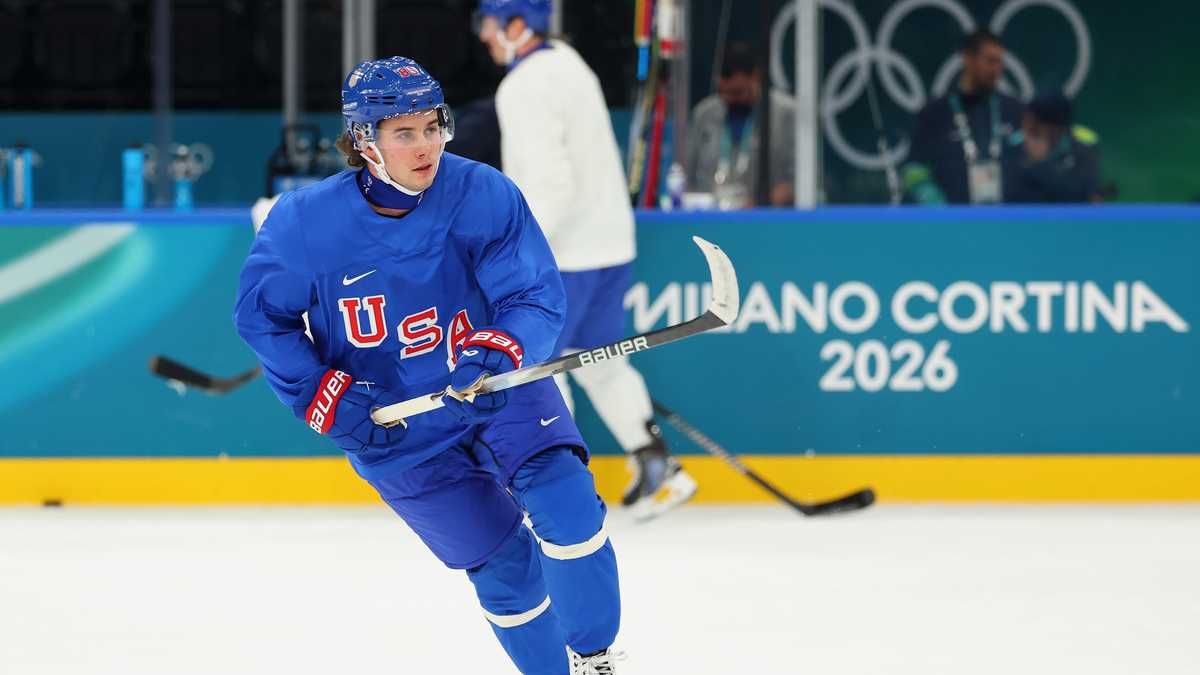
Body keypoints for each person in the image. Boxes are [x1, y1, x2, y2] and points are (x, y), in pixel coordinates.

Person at [233, 56, 623, 675]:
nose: (426, 146)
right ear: (364, 141)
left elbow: (531, 295)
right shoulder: (306, 224)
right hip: (398, 432)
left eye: (432, 126)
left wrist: (499, 348)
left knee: (567, 501)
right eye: (404, 133)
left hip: (496, 390)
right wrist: (325, 397)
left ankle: (599, 659)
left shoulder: (482, 192)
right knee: (506, 572)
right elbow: (263, 319)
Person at [476, 0, 697, 521]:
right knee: (601, 360)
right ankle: (657, 465)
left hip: (566, 252)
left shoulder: (523, 85)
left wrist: (518, 252)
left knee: (540, 370)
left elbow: (551, 181)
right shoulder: (571, 63)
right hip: (610, 242)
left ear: (516, 25)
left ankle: (560, 487)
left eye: (488, 23)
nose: (484, 35)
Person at [903, 30, 1024, 205]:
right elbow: (914, 168)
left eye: (1000, 63)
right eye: (990, 61)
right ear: (968, 59)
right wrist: (934, 203)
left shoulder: (1015, 110)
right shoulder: (934, 113)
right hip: (952, 223)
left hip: (1006, 219)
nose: (997, 69)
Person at [686, 41, 796, 209]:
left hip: (766, 218)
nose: (728, 99)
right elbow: (687, 177)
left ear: (756, 77)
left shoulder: (786, 114)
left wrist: (757, 204)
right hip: (712, 218)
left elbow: (798, 182)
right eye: (722, 93)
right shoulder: (704, 114)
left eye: (737, 93)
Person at [1004, 91, 1102, 203]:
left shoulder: (1083, 150)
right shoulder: (1011, 145)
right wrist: (1029, 162)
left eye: (1035, 125)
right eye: (1026, 120)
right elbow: (1006, 193)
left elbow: (1089, 196)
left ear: (1058, 129)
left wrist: (1041, 164)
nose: (1027, 127)